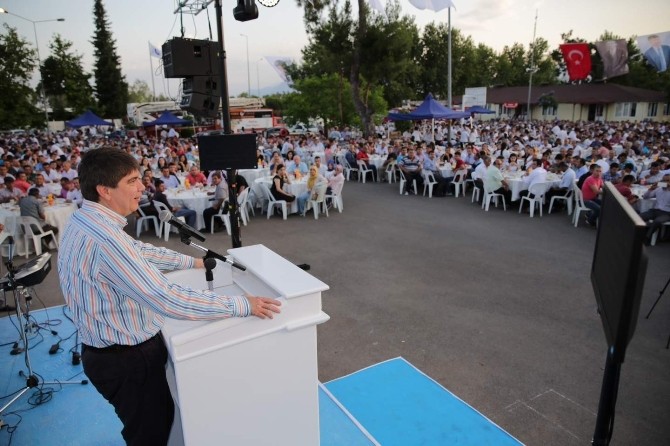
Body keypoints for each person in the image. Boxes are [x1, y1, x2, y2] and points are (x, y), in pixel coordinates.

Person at [57, 147, 280, 445]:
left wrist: (192, 261)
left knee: (148, 426)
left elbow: (141, 251)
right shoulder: (107, 239)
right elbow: (167, 299)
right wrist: (243, 305)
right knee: (150, 434)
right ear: (104, 190)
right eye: (132, 181)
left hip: (107, 353)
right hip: (127, 359)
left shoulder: (85, 220)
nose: (141, 188)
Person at [639, 174, 670, 244]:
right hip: (655, 210)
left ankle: (647, 238)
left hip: (667, 213)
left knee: (657, 221)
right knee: (639, 216)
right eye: (664, 180)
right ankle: (636, 234)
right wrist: (651, 189)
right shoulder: (659, 189)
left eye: (667, 180)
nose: (665, 182)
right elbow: (645, 197)